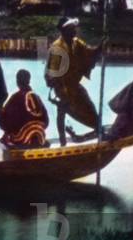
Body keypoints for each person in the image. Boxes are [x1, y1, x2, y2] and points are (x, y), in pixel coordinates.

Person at [44, 16, 104, 145]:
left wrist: (99, 48)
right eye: (72, 28)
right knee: (62, 110)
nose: (75, 31)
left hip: (74, 85)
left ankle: (98, 129)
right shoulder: (57, 47)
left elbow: (89, 53)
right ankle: (62, 141)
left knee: (88, 106)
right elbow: (52, 73)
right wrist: (61, 91)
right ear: (65, 30)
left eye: (74, 28)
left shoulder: (76, 42)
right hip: (61, 87)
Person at [0, 69, 50, 149]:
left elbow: (5, 120)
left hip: (21, 140)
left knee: (4, 139)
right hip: (40, 137)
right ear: (29, 81)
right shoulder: (37, 97)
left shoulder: (16, 97)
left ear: (17, 81)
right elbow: (46, 120)